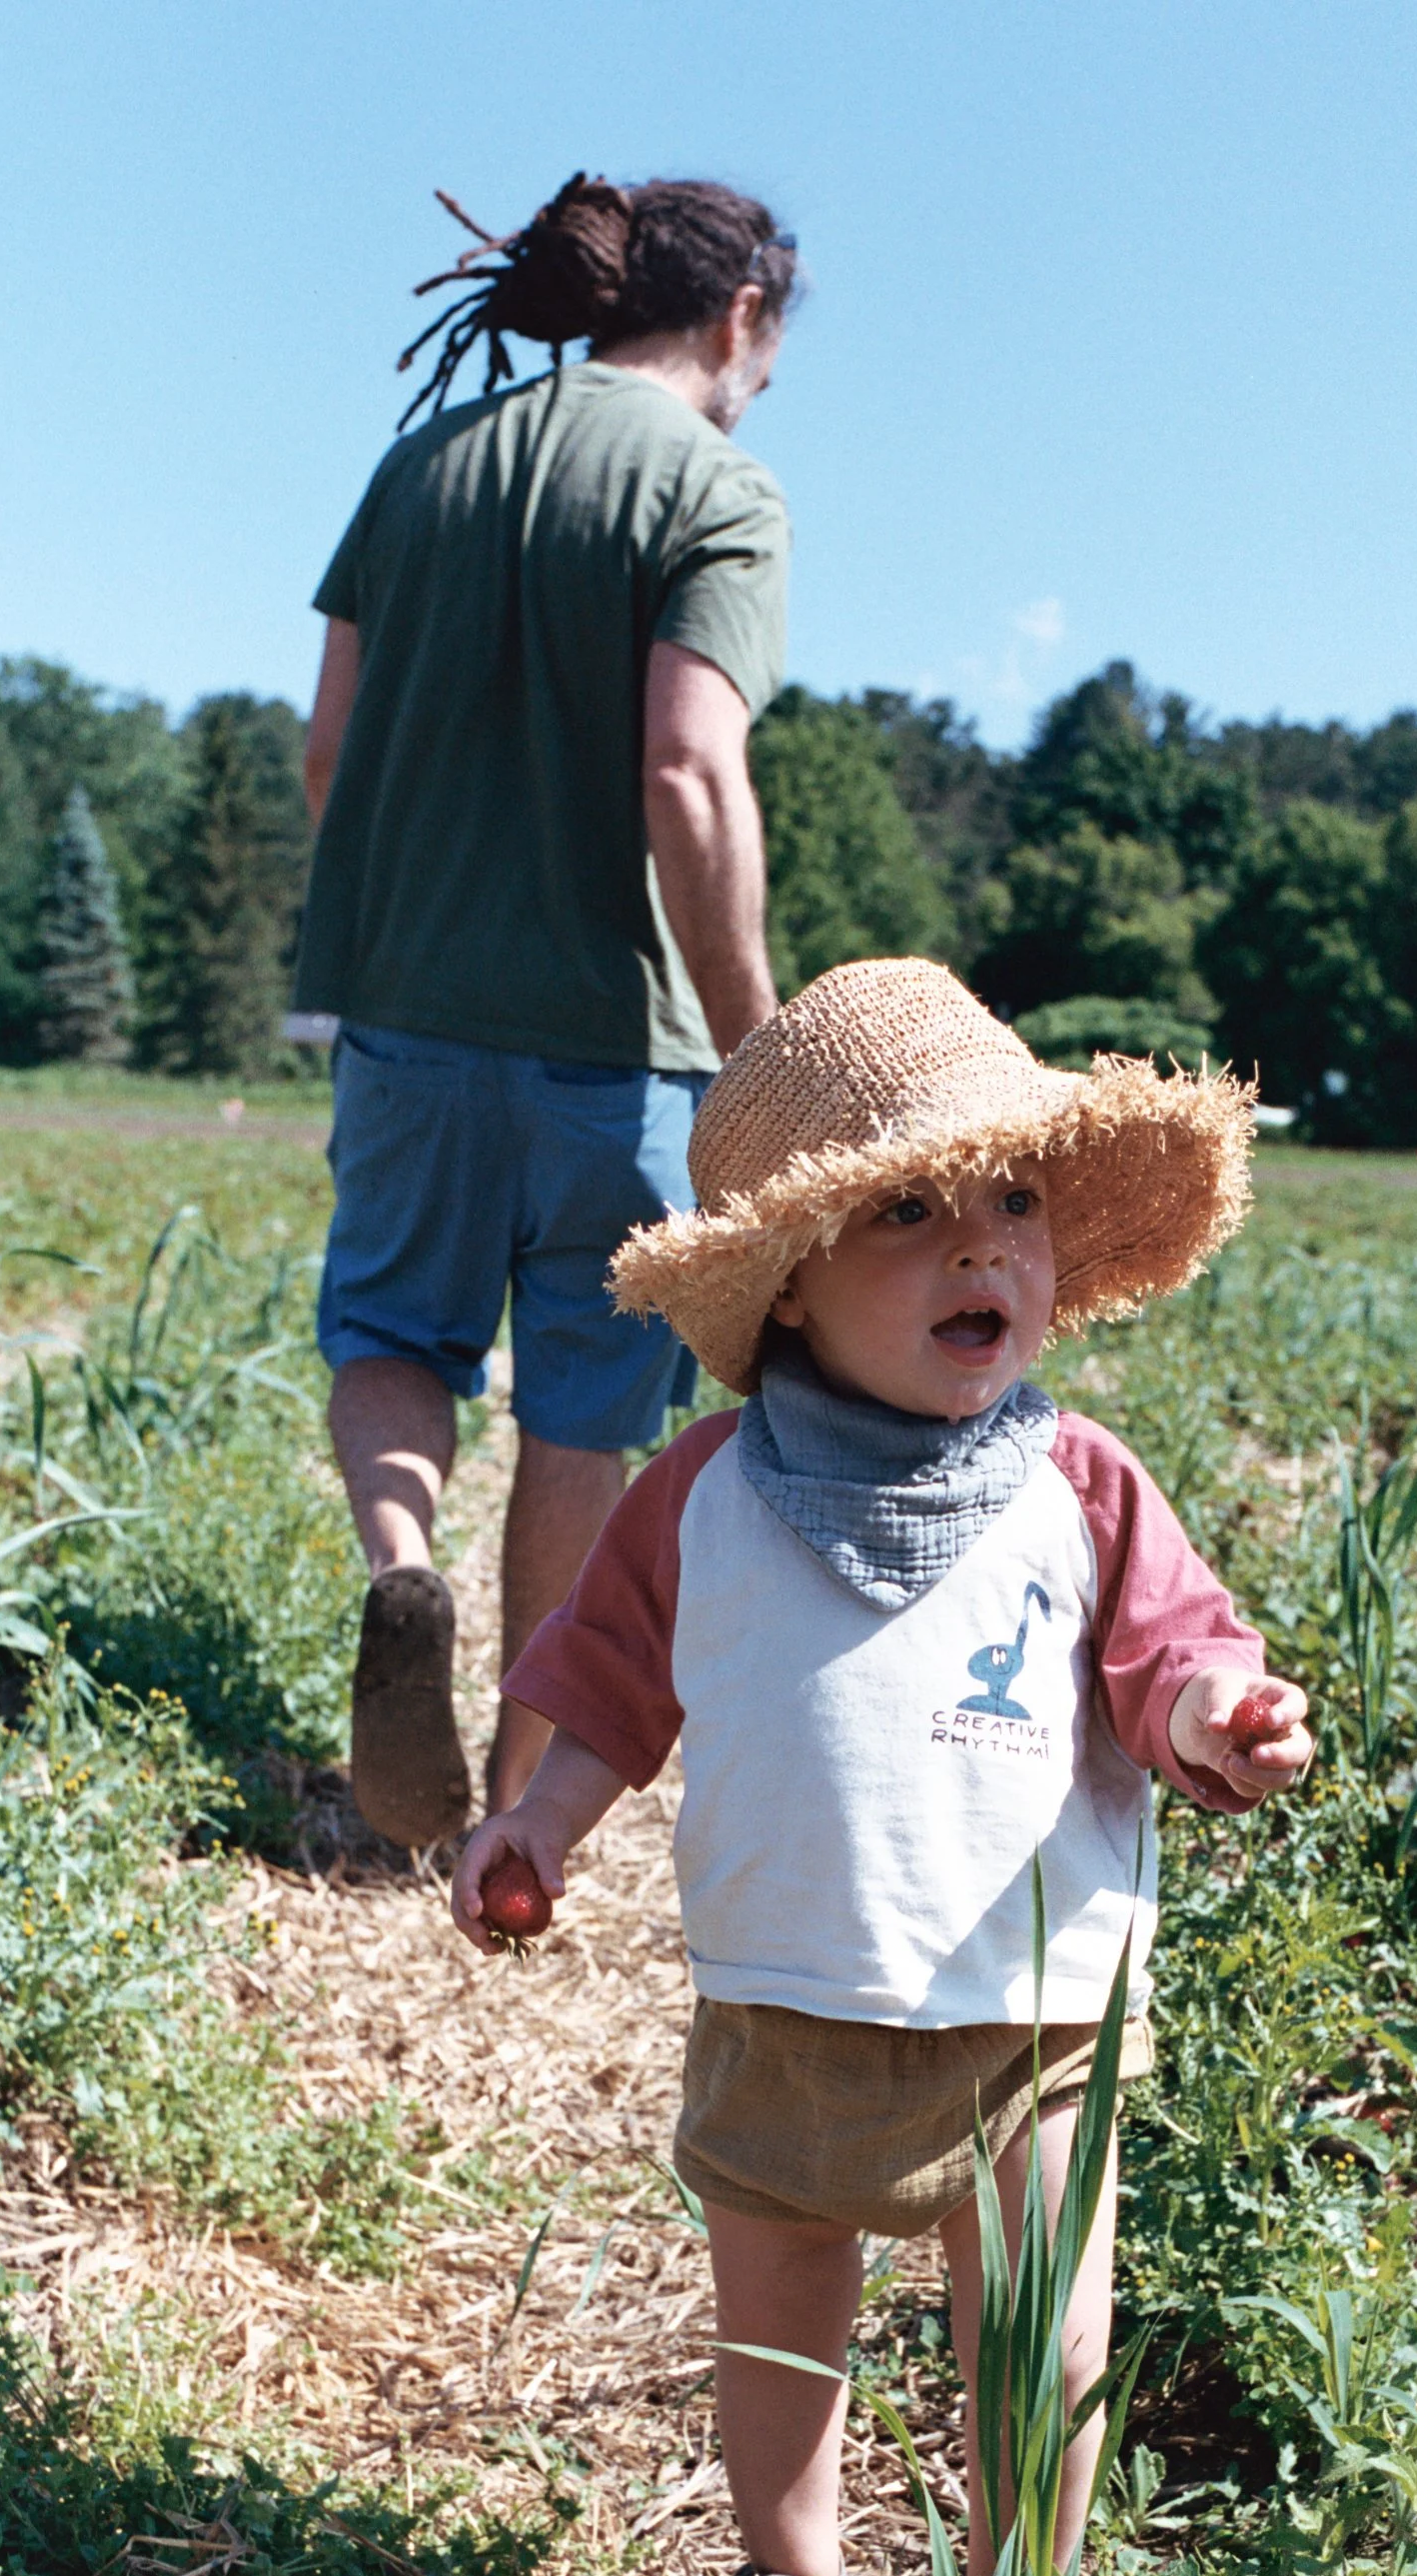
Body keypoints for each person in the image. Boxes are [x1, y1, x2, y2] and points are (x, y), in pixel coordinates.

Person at [449, 959, 1315, 2576]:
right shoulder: (705, 1491)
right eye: (907, 1210)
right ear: (785, 1285)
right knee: (780, 2325)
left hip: (1034, 2002)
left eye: (1013, 1201)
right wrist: (540, 1816)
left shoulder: (1080, 1484)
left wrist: (1215, 1719)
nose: (982, 1246)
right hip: (790, 1982)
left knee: (1043, 2340)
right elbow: (612, 1683)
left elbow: (1168, 1657)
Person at [292, 174, 799, 1847]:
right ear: (737, 316)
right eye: (774, 345)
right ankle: (513, 1799)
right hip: (623, 1046)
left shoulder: (423, 467)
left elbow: (331, 754)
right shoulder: (720, 491)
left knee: (389, 1330)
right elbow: (689, 770)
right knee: (586, 1410)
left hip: (410, 1012)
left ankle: (401, 1566)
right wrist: (760, 1049)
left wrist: (397, 933)